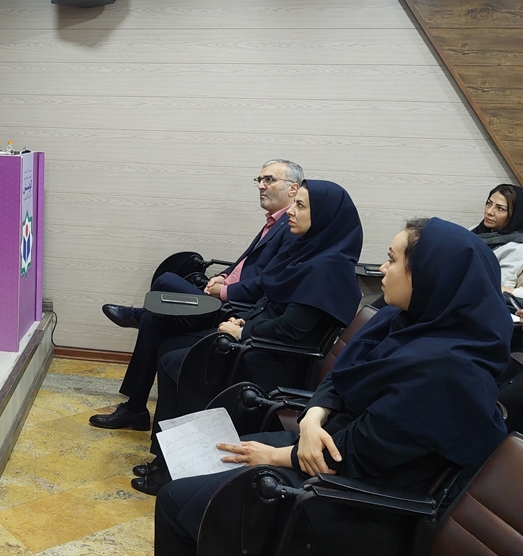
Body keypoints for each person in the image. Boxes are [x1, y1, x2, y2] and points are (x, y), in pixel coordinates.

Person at [153, 218, 512, 556]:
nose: (382, 269)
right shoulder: (403, 321)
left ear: (431, 277)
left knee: (176, 501)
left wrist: (273, 456)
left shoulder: (447, 372)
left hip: (352, 498)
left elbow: (352, 454)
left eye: (392, 260)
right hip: (324, 447)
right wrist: (312, 417)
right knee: (194, 471)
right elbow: (340, 376)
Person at [137, 179, 363, 493]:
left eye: (300, 206)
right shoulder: (309, 252)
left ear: (324, 216)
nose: (291, 212)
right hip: (262, 346)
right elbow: (271, 301)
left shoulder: (328, 268)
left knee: (180, 363)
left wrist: (243, 331)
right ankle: (168, 459)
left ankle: (175, 467)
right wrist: (246, 321)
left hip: (276, 361)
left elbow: (290, 330)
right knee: (173, 353)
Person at [90, 160, 304, 431]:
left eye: (269, 180)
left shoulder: (291, 227)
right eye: (259, 180)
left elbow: (269, 282)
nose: (261, 186)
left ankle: (137, 314)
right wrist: (223, 276)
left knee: (167, 280)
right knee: (153, 321)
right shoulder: (273, 221)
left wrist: (224, 291)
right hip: (225, 297)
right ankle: (135, 409)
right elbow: (246, 263)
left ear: (292, 188)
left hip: (235, 309)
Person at [471, 183, 523, 288]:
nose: (489, 211)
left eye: (500, 209)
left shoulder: (519, 248)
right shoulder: (477, 230)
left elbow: (498, 285)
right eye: (489, 204)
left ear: (516, 215)